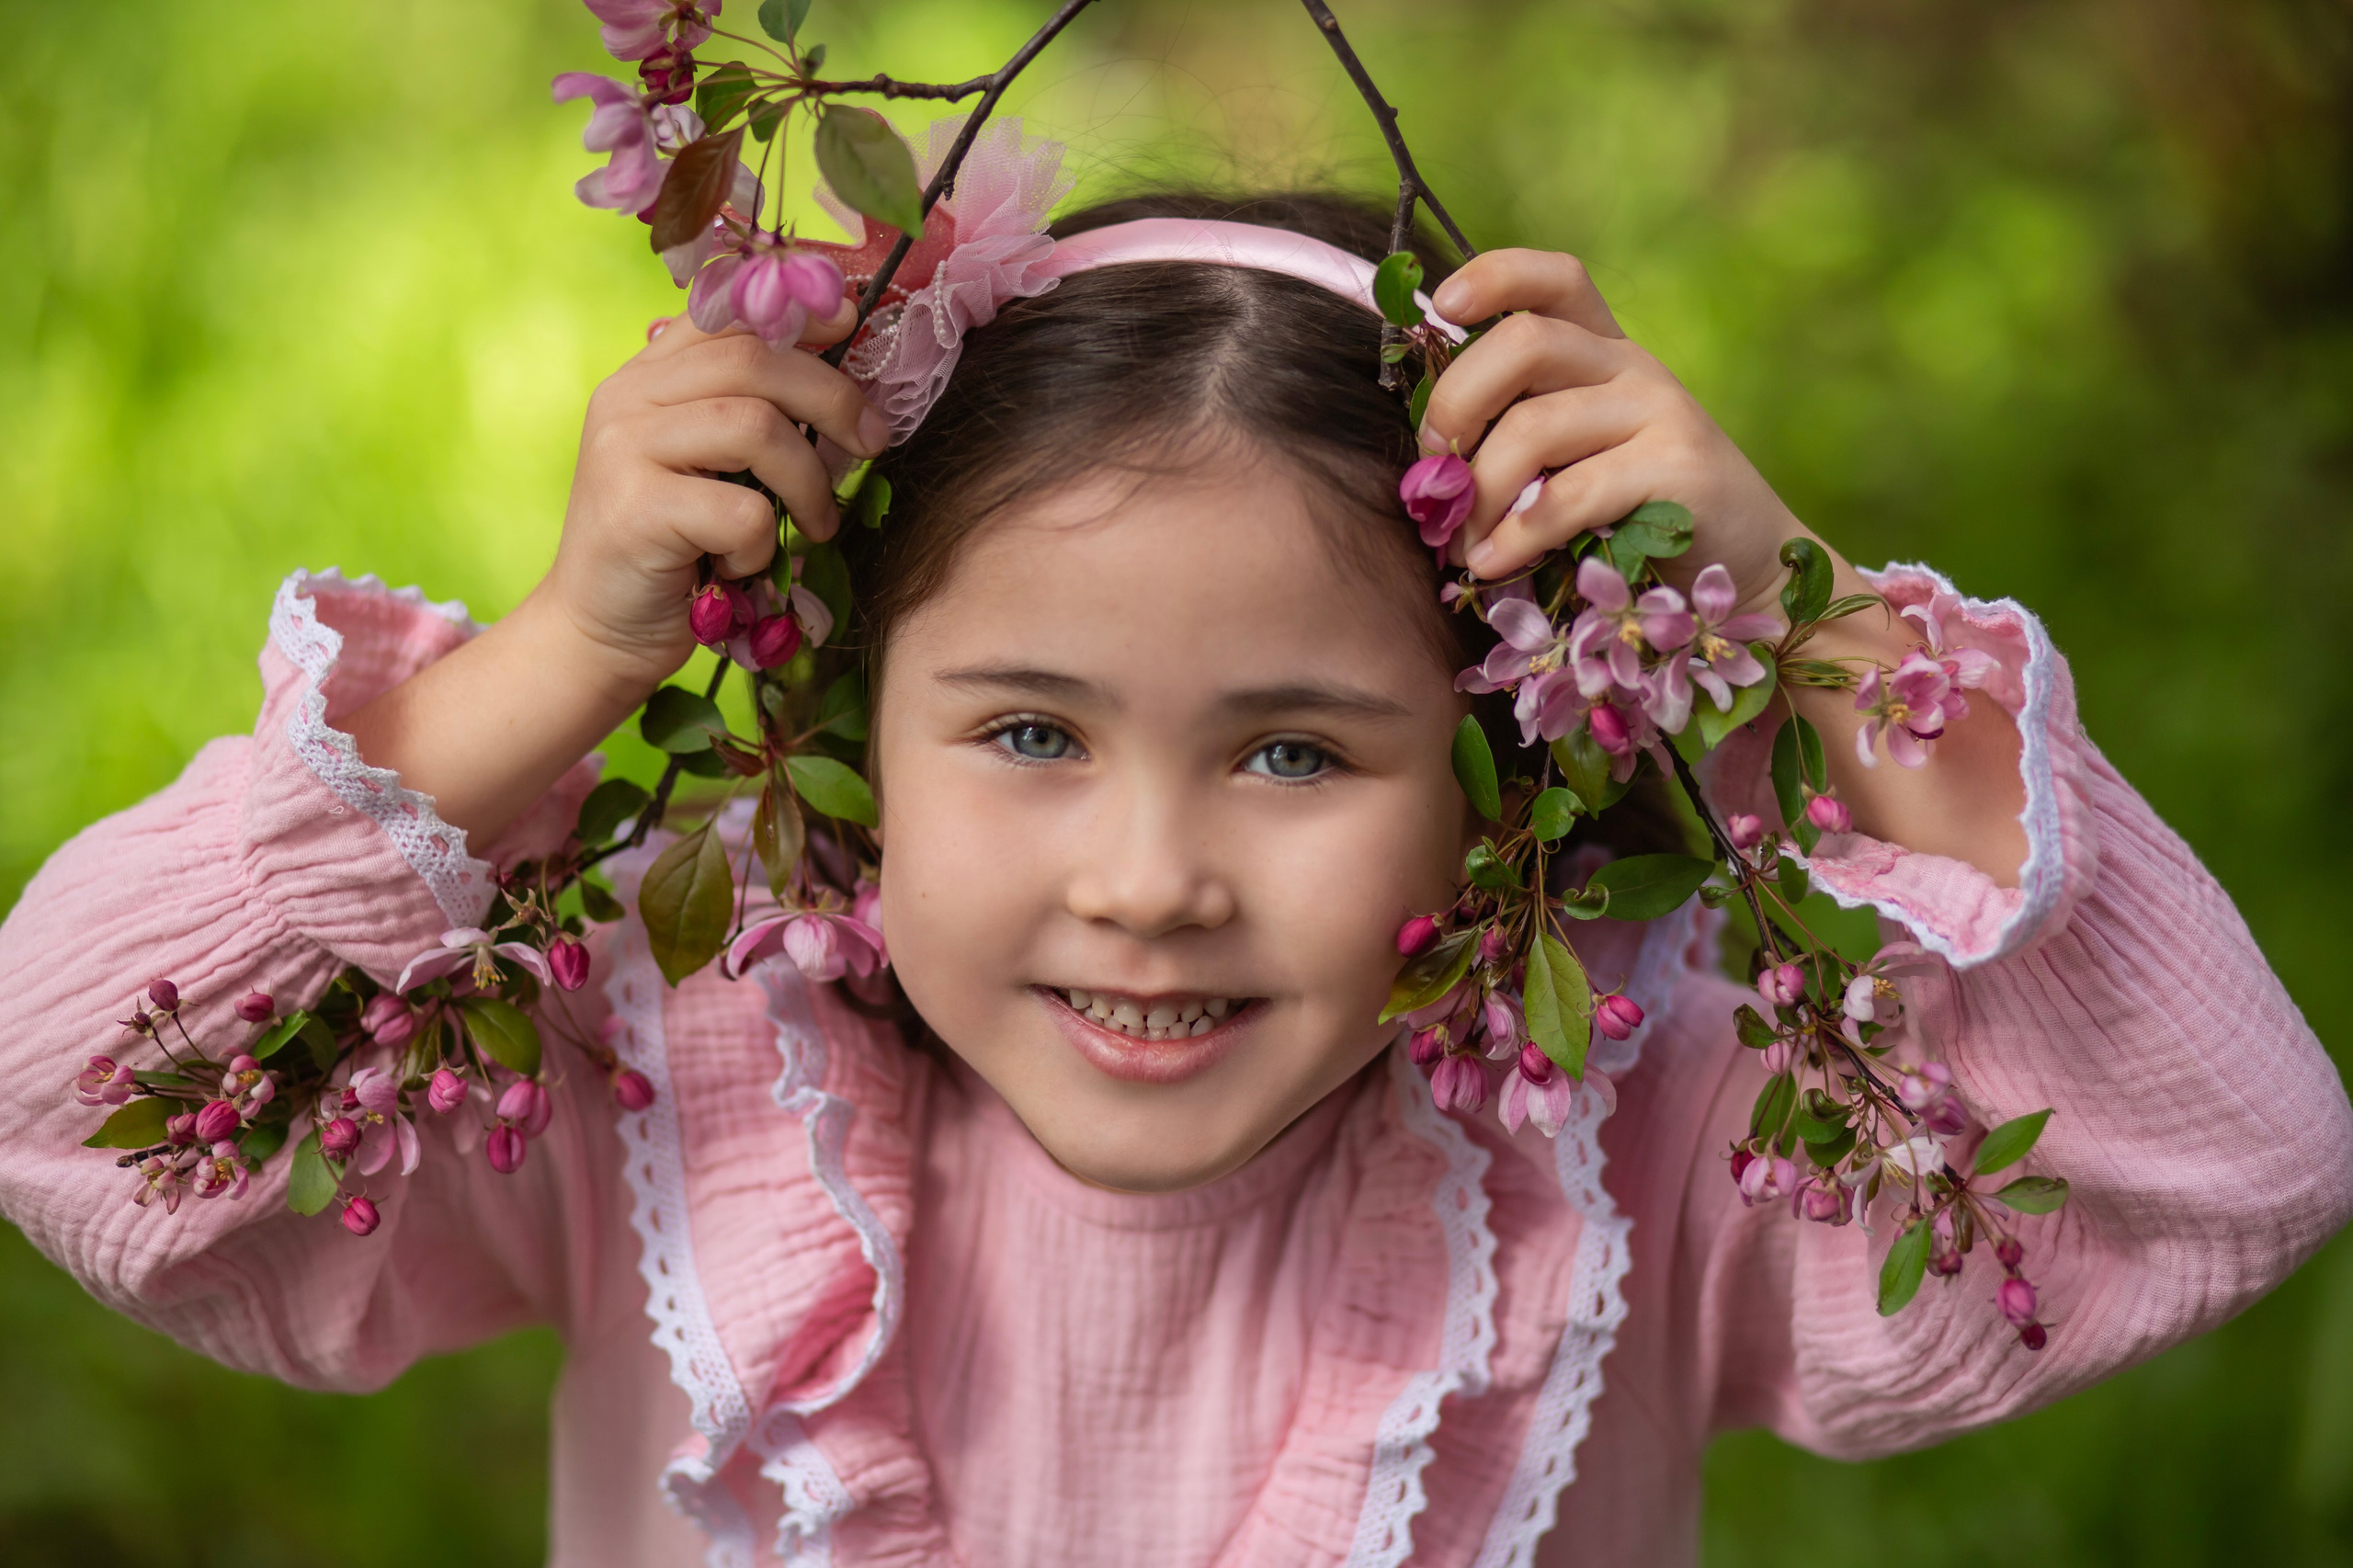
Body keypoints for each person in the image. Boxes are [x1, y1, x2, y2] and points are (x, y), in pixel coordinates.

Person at [1, 173, 2347, 1568]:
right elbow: (68, 1101)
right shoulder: (675, 1067)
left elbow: (2217, 1168)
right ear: (851, 730)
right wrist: (557, 660)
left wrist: (1807, 629)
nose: (1147, 880)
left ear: (1503, 776)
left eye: (1293, 752)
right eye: (1027, 732)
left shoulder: (1621, 1133)